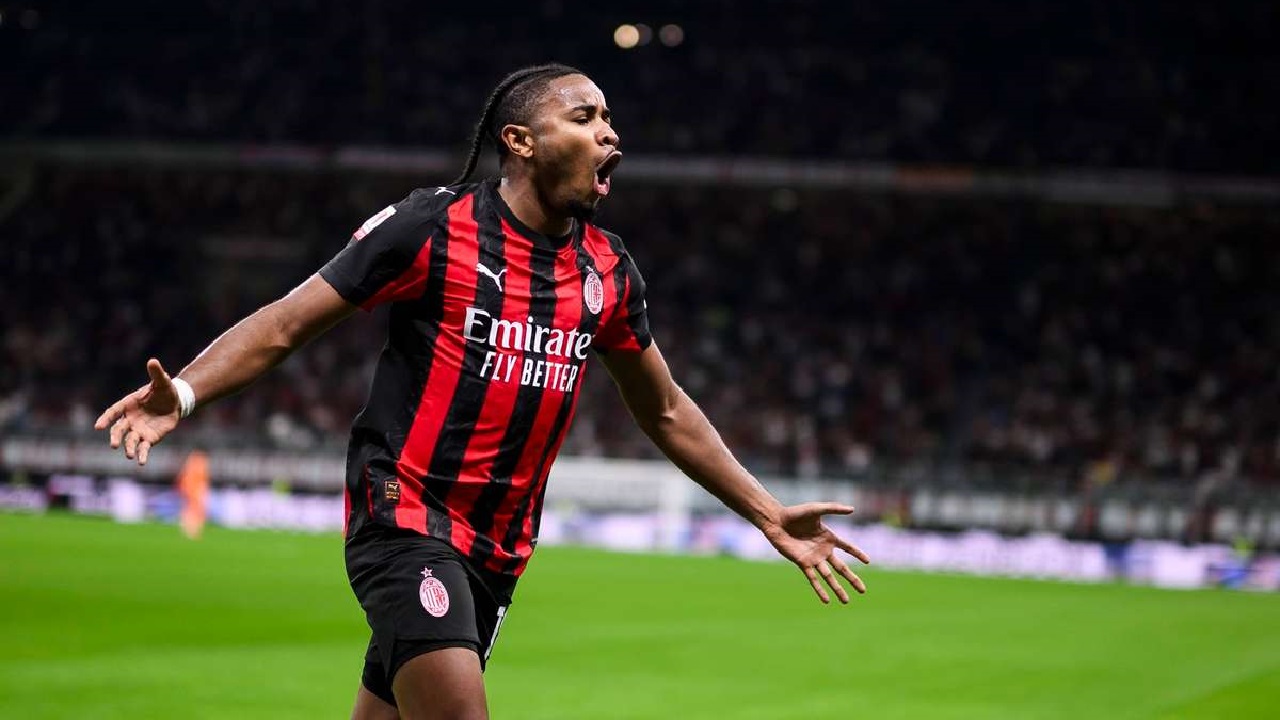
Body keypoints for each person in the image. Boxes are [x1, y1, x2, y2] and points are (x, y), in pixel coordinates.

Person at [93, 63, 870, 720]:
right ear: (520, 142)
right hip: (403, 512)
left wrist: (767, 512)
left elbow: (664, 409)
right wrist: (184, 392)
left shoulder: (607, 271)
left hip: (499, 548)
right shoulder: (432, 227)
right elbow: (287, 323)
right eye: (585, 117)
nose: (609, 134)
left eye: (610, 120)